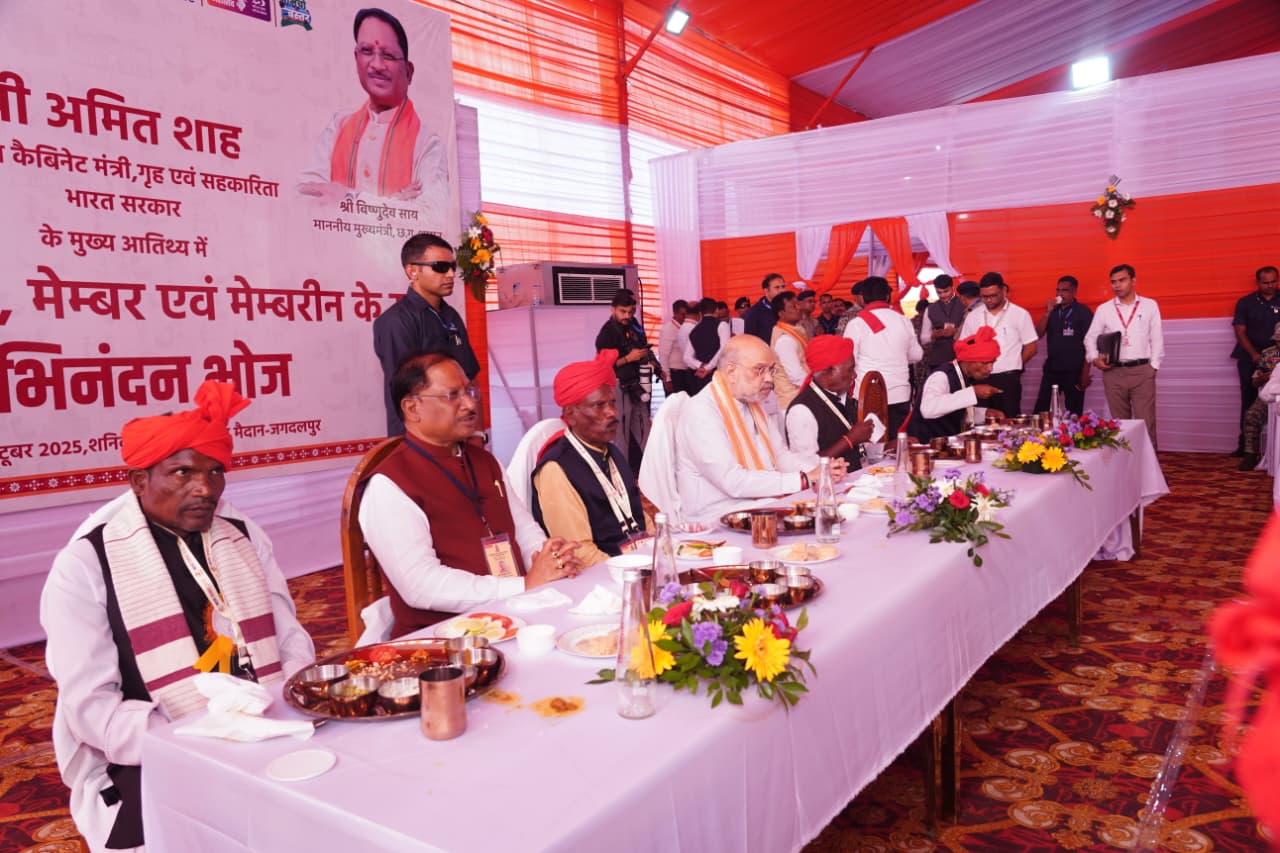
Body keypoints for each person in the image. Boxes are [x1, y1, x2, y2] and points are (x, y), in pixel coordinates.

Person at [41, 381, 315, 852]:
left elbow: (291, 639)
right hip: (157, 751)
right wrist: (197, 738)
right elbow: (91, 709)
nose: (204, 488)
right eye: (182, 472)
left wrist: (280, 703)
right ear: (138, 481)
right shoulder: (85, 565)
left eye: (215, 472)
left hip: (270, 723)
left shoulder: (243, 536)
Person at [359, 353, 584, 639]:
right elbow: (421, 586)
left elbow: (524, 530)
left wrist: (551, 560)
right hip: (443, 641)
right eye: (452, 395)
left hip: (518, 614)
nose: (469, 404)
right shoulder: (389, 484)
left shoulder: (484, 461)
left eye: (469, 392)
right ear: (412, 408)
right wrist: (523, 585)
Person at [675, 335, 847, 523]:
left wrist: (821, 470)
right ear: (731, 371)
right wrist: (804, 479)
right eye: (760, 370)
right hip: (715, 519)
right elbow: (732, 481)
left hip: (757, 507)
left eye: (771, 370)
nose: (769, 379)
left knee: (834, 513)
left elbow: (781, 456)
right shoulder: (701, 412)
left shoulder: (752, 404)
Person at [298, 7, 447, 202]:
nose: (376, 65)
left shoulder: (427, 144)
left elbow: (431, 213)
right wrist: (394, 202)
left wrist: (346, 198)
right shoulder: (339, 125)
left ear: (408, 71)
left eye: (388, 55)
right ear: (356, 59)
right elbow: (305, 195)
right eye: (367, 51)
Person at [531, 350, 649, 566]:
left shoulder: (612, 452)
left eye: (612, 403)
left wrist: (661, 552)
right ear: (570, 415)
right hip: (601, 577)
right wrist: (638, 571)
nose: (612, 413)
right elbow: (579, 552)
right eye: (599, 405)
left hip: (638, 563)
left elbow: (640, 518)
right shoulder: (556, 468)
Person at [373, 232, 479, 437]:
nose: (451, 274)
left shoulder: (451, 315)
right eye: (440, 267)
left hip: (458, 433)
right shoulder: (396, 322)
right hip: (421, 439)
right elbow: (403, 393)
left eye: (453, 267)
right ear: (412, 271)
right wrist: (410, 446)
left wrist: (477, 434)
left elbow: (470, 379)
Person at [1083, 264, 1165, 448]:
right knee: (1120, 426)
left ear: (1133, 281)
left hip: (1142, 371)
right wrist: (1094, 358)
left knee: (1146, 423)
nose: (1117, 285)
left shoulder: (1149, 305)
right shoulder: (1104, 309)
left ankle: (1149, 466)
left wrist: (1153, 366)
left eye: (1122, 280)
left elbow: (1156, 337)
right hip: (1114, 373)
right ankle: (1125, 465)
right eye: (1113, 282)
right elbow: (1090, 338)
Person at [844, 276, 923, 437]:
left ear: (862, 298)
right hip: (900, 393)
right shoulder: (903, 320)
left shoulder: (856, 324)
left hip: (869, 394)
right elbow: (917, 355)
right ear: (888, 296)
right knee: (897, 442)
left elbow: (848, 360)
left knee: (872, 443)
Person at [595, 290, 662, 470]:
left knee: (644, 430)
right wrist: (628, 358)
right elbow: (604, 365)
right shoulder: (607, 333)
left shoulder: (634, 326)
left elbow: (644, 347)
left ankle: (653, 471)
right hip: (619, 386)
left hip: (638, 384)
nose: (627, 316)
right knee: (621, 434)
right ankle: (621, 473)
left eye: (630, 312)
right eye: (622, 312)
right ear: (613, 309)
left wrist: (653, 363)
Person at [785, 335, 875, 468]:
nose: (854, 375)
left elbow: (857, 448)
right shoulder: (800, 411)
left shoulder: (839, 396)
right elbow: (806, 466)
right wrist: (849, 440)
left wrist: (886, 447)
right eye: (850, 369)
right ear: (829, 371)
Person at [960, 272, 1038, 418]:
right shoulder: (973, 316)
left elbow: (1031, 347)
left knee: (1008, 420)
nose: (988, 300)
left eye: (993, 295)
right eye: (984, 297)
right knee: (979, 420)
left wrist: (1014, 364)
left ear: (1004, 290)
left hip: (1008, 378)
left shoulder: (1019, 314)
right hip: (979, 378)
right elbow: (964, 348)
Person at [910, 327, 1004, 439]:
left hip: (948, 441)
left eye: (992, 363)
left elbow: (954, 410)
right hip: (926, 443)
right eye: (985, 363)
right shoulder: (942, 375)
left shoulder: (964, 376)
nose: (990, 369)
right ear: (968, 360)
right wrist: (973, 392)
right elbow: (928, 409)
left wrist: (984, 414)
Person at [1232, 266, 1280, 456]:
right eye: (1265, 282)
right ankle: (1246, 447)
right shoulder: (1246, 303)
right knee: (1249, 399)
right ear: (1257, 282)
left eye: (1274, 281)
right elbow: (1240, 332)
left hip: (1278, 359)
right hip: (1250, 356)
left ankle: (1273, 448)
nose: (1270, 285)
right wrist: (1254, 355)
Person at [1034, 275, 1094, 415]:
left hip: (1074, 371)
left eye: (1065, 290)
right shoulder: (1053, 311)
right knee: (1042, 410)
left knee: (1074, 413)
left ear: (1074, 292)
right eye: (1058, 290)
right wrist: (1048, 312)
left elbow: (1090, 344)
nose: (1060, 294)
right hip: (1052, 369)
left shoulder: (1083, 312)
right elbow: (1038, 334)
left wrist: (1085, 372)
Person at [1238, 322, 1280, 471]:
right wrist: (1265, 377)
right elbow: (1254, 382)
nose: (1279, 343)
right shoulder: (1268, 354)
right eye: (1277, 340)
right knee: (1251, 416)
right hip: (1270, 395)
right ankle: (1250, 454)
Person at [771, 291, 811, 410]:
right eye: (793, 307)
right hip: (792, 400)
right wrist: (818, 389)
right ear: (781, 313)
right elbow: (796, 376)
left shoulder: (794, 331)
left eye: (798, 304)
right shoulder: (785, 340)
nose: (799, 308)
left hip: (799, 398)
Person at [683, 296, 730, 395]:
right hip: (720, 375)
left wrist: (700, 365)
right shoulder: (722, 325)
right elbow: (724, 349)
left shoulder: (694, 330)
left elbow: (686, 357)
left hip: (701, 378)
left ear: (700, 313)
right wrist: (709, 367)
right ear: (716, 310)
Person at [919, 275, 967, 370]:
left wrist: (956, 332)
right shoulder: (930, 309)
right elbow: (923, 338)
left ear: (952, 287)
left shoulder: (964, 303)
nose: (943, 295)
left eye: (946, 291)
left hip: (962, 357)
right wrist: (933, 335)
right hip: (939, 359)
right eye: (939, 292)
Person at [658, 299, 690, 395]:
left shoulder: (686, 328)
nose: (685, 317)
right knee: (675, 403)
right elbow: (663, 355)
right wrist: (667, 379)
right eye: (682, 314)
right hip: (675, 374)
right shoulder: (668, 329)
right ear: (675, 313)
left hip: (686, 374)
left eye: (687, 314)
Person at [744, 273, 786, 342]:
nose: (782, 290)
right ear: (766, 291)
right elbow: (749, 340)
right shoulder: (754, 312)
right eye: (777, 287)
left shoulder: (789, 308)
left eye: (783, 287)